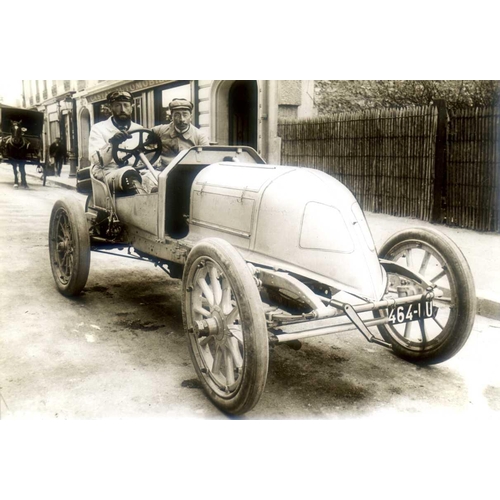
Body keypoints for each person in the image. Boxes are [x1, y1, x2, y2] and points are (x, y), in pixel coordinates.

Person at [88, 90, 146, 193]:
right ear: (111, 108)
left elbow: (148, 158)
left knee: (160, 178)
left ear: (131, 107)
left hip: (137, 170)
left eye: (126, 105)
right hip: (108, 172)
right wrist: (112, 143)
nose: (123, 109)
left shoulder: (139, 129)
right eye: (118, 105)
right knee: (129, 174)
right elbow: (98, 161)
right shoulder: (98, 129)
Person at [150, 98, 210, 168]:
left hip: (188, 172)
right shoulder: (160, 131)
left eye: (185, 115)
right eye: (177, 115)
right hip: (162, 171)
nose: (182, 119)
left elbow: (206, 159)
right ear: (171, 117)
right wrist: (154, 159)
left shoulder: (200, 136)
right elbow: (143, 138)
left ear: (190, 116)